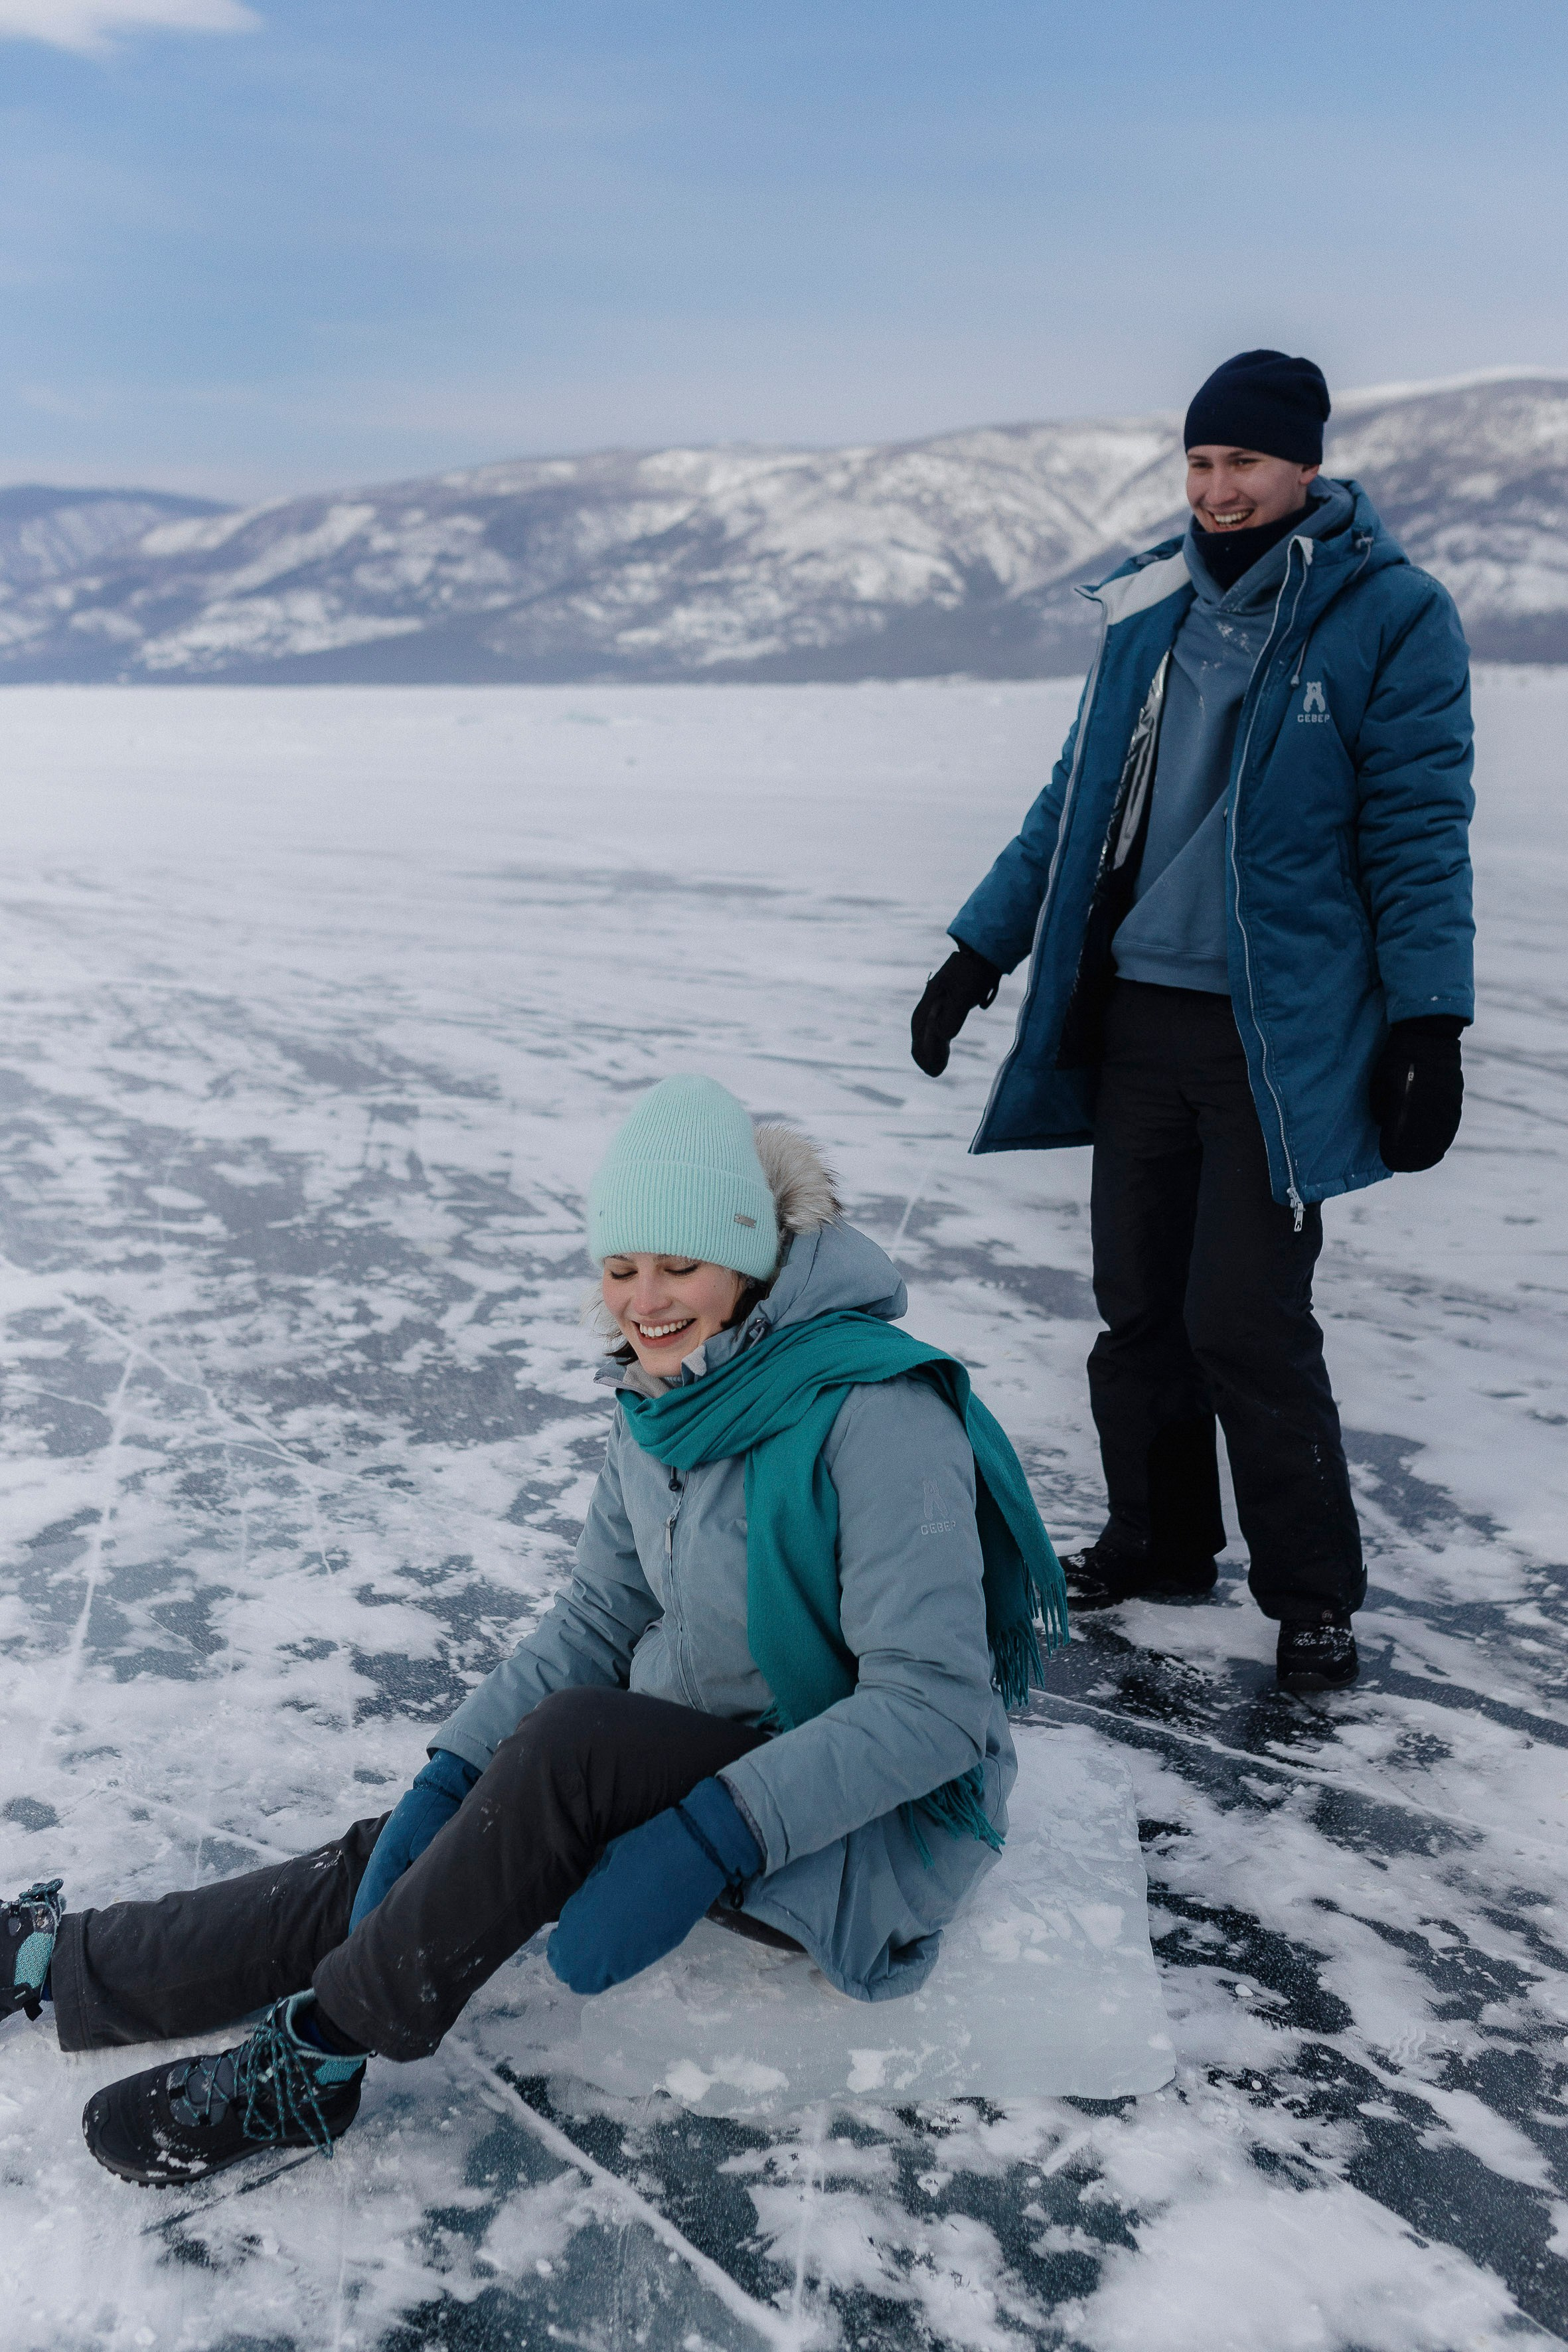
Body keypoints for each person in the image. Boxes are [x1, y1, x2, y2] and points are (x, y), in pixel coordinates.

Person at [3, 1076, 1064, 2187]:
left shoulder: (875, 1412)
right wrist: (453, 1772)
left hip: (860, 1817)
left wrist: (713, 1833)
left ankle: (319, 2058)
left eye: (680, 1266)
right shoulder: (667, 1398)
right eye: (621, 1268)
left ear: (749, 1261)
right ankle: (61, 1962)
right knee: (434, 1843)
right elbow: (599, 1615)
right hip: (701, 1749)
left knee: (565, 1755)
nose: (644, 1301)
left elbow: (933, 1703)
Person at [910, 349, 1474, 1695]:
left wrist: (1428, 1022)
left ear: (1305, 466)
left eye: (1245, 462)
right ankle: (1159, 1542)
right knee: (1137, 1308)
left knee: (1245, 1318)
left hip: (1276, 1036)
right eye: (1200, 461)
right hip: (1136, 1021)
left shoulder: (1390, 613)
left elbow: (1415, 832)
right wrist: (976, 951)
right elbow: (1071, 804)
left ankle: (1310, 1595)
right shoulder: (1150, 605)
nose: (1217, 488)